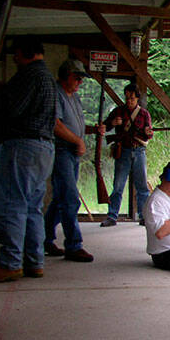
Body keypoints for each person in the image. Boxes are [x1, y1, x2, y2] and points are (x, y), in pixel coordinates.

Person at [0, 36, 57, 282]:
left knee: (13, 204)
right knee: (32, 208)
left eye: (17, 54)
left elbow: (11, 108)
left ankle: (11, 263)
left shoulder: (29, 75)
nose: (15, 58)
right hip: (44, 148)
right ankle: (34, 261)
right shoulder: (46, 77)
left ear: (25, 53)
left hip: (23, 146)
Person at [43, 59, 105, 263]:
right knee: (70, 199)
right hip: (61, 151)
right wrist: (78, 140)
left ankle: (45, 238)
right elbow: (56, 125)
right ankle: (73, 245)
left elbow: (75, 125)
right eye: (77, 78)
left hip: (71, 153)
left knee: (60, 200)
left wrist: (92, 130)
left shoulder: (74, 97)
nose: (80, 82)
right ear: (66, 75)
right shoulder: (56, 94)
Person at [99, 83, 153, 227]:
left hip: (139, 151)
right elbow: (105, 126)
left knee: (142, 187)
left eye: (132, 98)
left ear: (137, 98)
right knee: (118, 185)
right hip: (123, 151)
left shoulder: (144, 114)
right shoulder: (118, 111)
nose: (129, 101)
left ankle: (143, 216)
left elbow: (149, 134)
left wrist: (148, 133)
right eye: (127, 98)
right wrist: (113, 122)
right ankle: (112, 216)